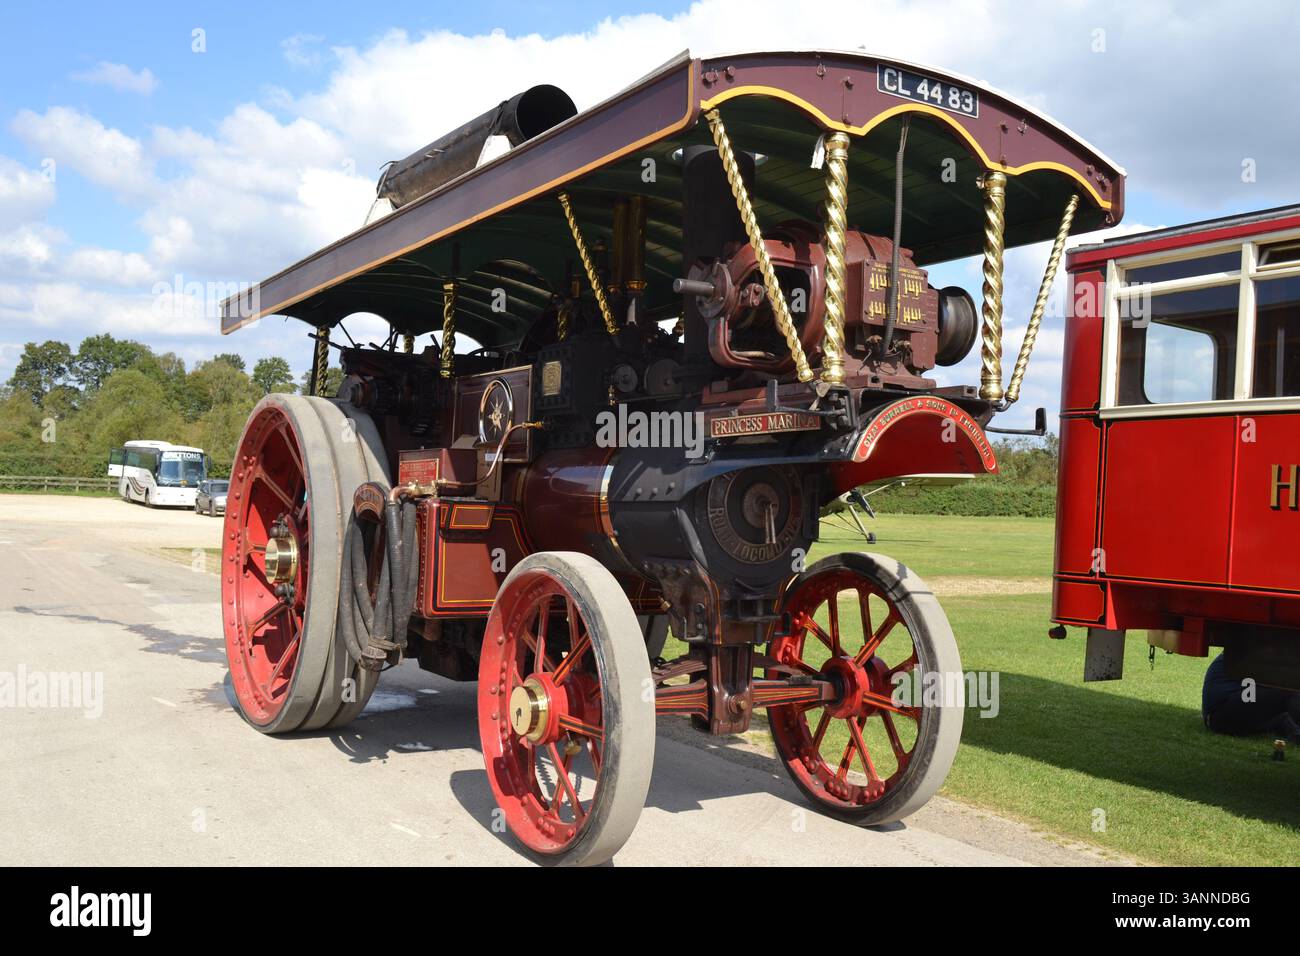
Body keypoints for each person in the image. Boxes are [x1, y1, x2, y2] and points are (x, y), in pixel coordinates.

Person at [1201, 652, 1300, 742]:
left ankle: (1295, 733)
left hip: (1220, 717)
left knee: (1283, 717)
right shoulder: (1252, 653)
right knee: (1288, 691)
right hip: (1221, 712)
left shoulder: (1252, 649)